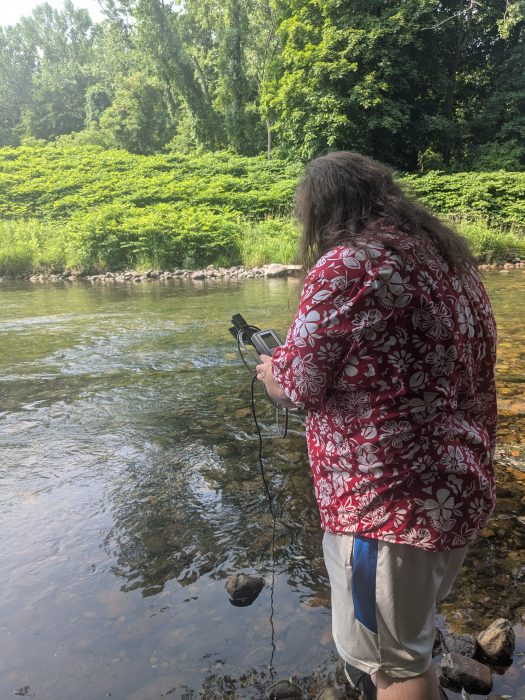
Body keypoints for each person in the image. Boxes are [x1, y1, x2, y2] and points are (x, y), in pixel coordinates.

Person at [256, 152, 497, 700]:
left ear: (321, 211)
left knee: (393, 667)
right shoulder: (448, 259)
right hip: (456, 490)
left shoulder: (346, 267)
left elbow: (297, 387)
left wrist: (273, 373)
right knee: (408, 643)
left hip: (384, 511)